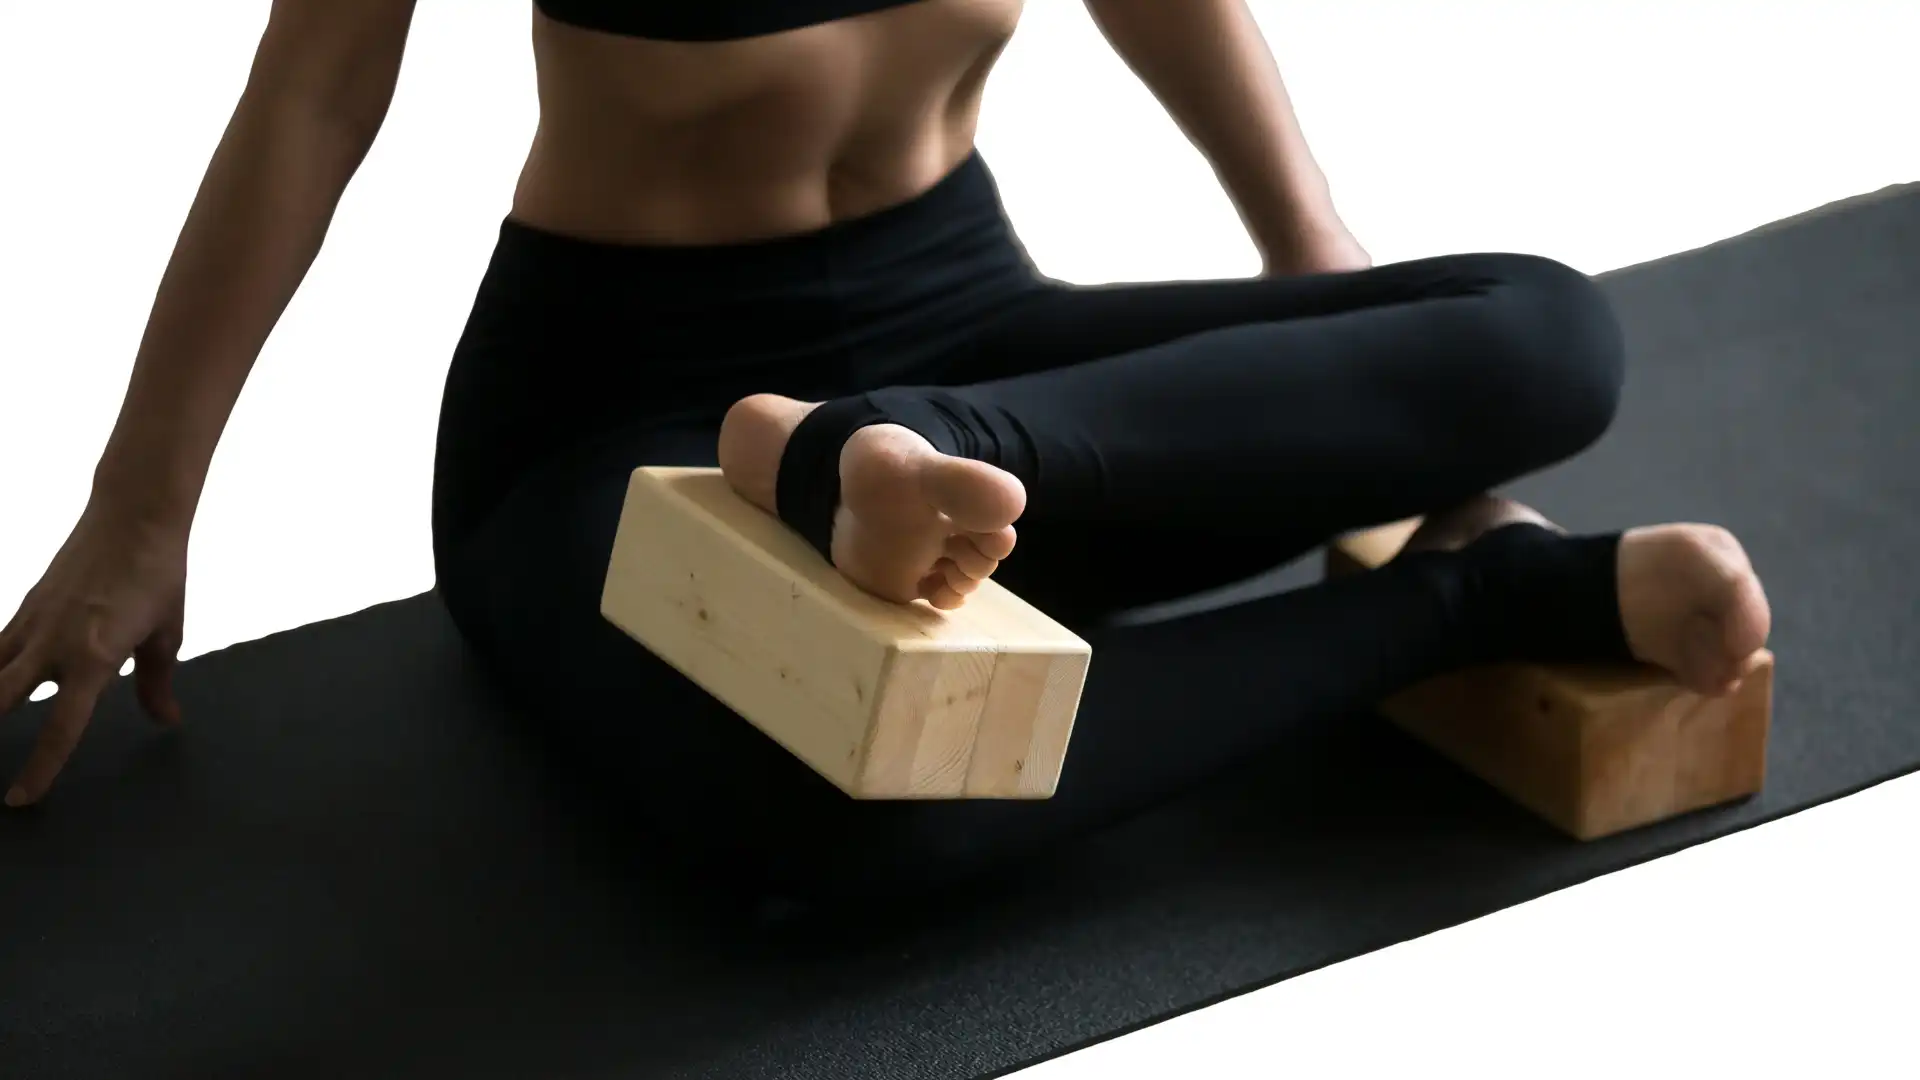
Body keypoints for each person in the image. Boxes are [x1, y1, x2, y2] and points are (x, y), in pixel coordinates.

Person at [0, 0, 1770, 909]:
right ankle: (1468, 607)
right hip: (622, 434)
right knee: (866, 826)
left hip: (987, 389)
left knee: (1546, 335)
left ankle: (882, 460)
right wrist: (138, 503)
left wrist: (1307, 260)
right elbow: (317, 89)